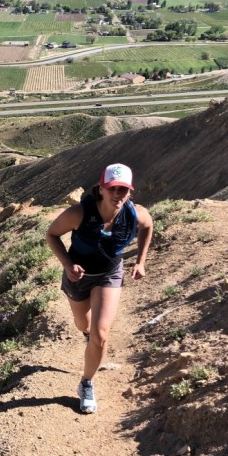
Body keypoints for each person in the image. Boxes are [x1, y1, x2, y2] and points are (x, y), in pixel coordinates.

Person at [46, 163, 153, 414]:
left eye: (123, 189)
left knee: (101, 333)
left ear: (130, 191)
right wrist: (68, 264)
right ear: (102, 189)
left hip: (109, 273)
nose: (118, 194)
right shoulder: (79, 213)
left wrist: (141, 261)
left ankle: (86, 383)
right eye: (112, 188)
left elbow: (147, 226)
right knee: (83, 325)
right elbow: (51, 234)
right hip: (78, 277)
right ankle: (89, 335)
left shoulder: (134, 214)